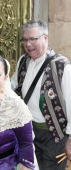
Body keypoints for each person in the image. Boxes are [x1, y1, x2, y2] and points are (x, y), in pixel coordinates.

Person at [11, 19, 71, 170]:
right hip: (28, 131)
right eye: (25, 39)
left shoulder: (62, 66)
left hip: (54, 135)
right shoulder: (23, 61)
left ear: (46, 38)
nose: (28, 44)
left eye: (33, 39)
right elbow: (10, 87)